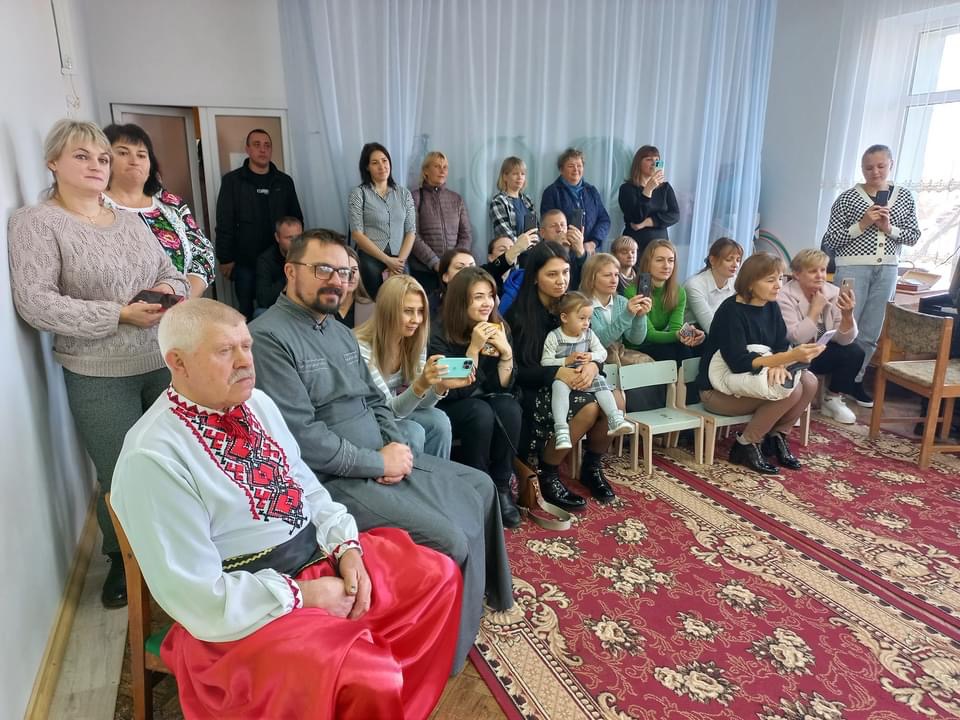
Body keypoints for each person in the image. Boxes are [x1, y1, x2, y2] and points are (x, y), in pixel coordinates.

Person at [111, 299, 462, 720]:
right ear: (178, 363)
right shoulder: (152, 457)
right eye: (225, 351)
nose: (245, 361)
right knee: (368, 675)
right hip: (243, 610)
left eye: (246, 346)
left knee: (438, 576)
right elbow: (196, 594)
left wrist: (346, 549)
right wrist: (306, 596)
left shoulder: (257, 403)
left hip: (315, 558)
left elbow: (307, 487)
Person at [248, 232, 513, 671]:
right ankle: (448, 652)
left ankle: (485, 596)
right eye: (324, 269)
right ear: (290, 271)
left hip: (379, 455)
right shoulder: (267, 338)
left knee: (482, 485)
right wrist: (377, 461)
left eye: (345, 272)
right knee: (448, 537)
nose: (337, 281)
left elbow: (375, 400)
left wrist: (395, 444)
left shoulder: (338, 332)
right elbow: (302, 438)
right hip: (333, 480)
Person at [8, 119, 189, 608]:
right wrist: (119, 315)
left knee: (176, 462)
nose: (97, 165)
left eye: (102, 158)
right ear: (53, 162)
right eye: (82, 156)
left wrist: (168, 288)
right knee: (120, 473)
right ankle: (124, 559)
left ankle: (180, 549)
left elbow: (170, 270)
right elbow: (36, 303)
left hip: (161, 361)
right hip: (97, 374)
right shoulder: (36, 222)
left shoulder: (127, 219)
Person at [505, 241, 620, 508]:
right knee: (589, 408)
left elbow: (594, 348)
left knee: (617, 399)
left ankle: (591, 467)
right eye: (552, 274)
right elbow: (517, 373)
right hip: (536, 389)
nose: (561, 280)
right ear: (535, 277)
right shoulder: (519, 315)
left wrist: (594, 366)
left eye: (566, 272)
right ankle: (548, 472)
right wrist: (558, 373)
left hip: (574, 380)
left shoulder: (574, 305)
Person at [697, 253, 823, 474]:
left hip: (753, 379)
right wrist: (785, 359)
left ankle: (777, 436)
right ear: (750, 283)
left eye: (780, 279)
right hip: (718, 391)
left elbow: (781, 344)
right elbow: (738, 363)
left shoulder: (771, 305)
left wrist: (779, 365)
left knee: (810, 382)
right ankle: (746, 443)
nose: (778, 286)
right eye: (770, 280)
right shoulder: (731, 311)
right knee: (790, 391)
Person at [822, 143, 921, 407]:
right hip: (852, 267)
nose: (875, 172)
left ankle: (854, 381)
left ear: (891, 165)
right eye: (868, 168)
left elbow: (913, 236)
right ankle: (832, 388)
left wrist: (889, 228)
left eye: (880, 166)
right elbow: (832, 239)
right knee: (844, 326)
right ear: (861, 168)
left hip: (887, 269)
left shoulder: (905, 197)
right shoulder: (847, 198)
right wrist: (863, 224)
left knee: (871, 331)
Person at [429, 267, 523, 528]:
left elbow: (504, 388)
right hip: (449, 404)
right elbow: (456, 390)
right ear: (461, 301)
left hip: (486, 400)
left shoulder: (499, 326)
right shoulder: (439, 332)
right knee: (479, 411)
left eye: (490, 295)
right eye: (478, 297)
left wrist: (506, 354)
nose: (487, 303)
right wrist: (473, 349)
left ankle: (501, 486)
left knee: (509, 407)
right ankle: (477, 488)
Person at [102, 123, 214, 300]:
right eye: (123, 153)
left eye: (141, 155)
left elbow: (203, 255)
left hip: (180, 308)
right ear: (104, 159)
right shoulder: (94, 205)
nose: (134, 160)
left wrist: (182, 299)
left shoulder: (170, 203)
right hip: (120, 312)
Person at [354, 275, 457, 459]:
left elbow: (420, 403)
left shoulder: (413, 339)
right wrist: (421, 384)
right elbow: (387, 410)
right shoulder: (361, 347)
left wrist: (439, 387)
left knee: (439, 420)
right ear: (388, 311)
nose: (416, 320)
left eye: (420, 311)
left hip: (390, 413)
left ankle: (437, 475)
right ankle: (409, 478)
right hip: (362, 417)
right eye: (408, 311)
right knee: (412, 431)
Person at [215, 128, 303, 320]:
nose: (263, 149)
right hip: (244, 260)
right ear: (248, 149)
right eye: (257, 145)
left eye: (267, 145)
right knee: (245, 310)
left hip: (280, 259)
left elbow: (296, 218)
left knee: (282, 307)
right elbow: (224, 221)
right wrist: (225, 257)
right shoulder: (232, 181)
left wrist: (299, 253)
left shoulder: (284, 182)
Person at [778, 249, 863, 425]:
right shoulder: (783, 296)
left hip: (819, 348)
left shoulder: (833, 292)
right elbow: (796, 337)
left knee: (855, 351)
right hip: (792, 352)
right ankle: (792, 404)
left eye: (823, 270)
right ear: (797, 274)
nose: (820, 276)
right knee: (797, 350)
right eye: (812, 271)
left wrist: (847, 316)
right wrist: (815, 310)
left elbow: (844, 339)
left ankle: (832, 399)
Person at [542, 292, 634, 449]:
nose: (586, 323)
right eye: (582, 318)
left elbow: (602, 353)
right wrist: (565, 361)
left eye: (589, 319)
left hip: (585, 375)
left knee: (601, 383)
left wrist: (591, 356)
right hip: (564, 377)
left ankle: (614, 418)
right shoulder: (554, 336)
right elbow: (545, 362)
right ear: (564, 318)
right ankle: (562, 430)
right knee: (558, 387)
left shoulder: (589, 335)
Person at [348, 142, 416, 298]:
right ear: (367, 167)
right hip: (371, 259)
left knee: (402, 301)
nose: (382, 166)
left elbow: (411, 231)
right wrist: (387, 260)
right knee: (376, 302)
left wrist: (398, 262)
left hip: (400, 258)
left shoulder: (404, 194)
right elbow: (357, 234)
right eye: (375, 163)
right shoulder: (358, 194)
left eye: (384, 160)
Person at [628, 239, 705, 362]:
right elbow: (649, 335)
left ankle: (682, 376)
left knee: (689, 347)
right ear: (648, 263)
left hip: (663, 343)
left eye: (670, 260)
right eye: (660, 260)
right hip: (638, 346)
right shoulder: (633, 292)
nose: (666, 266)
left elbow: (676, 328)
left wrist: (689, 334)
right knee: (669, 352)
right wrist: (678, 335)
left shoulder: (678, 292)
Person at [409, 151, 472, 294]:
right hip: (424, 272)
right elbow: (413, 236)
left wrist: (455, 261)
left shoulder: (456, 199)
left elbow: (466, 235)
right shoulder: (414, 197)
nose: (442, 170)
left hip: (455, 273)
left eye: (445, 167)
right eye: (437, 166)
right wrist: (435, 262)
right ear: (426, 171)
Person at [541, 148, 611, 254]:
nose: (576, 169)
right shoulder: (552, 192)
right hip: (563, 251)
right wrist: (568, 242)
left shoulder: (591, 191)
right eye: (571, 166)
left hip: (591, 251)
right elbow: (549, 225)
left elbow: (604, 220)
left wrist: (593, 242)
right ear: (561, 170)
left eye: (579, 166)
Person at [579, 253, 651, 354]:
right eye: (607, 275)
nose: (614, 280)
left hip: (617, 355)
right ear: (591, 278)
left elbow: (636, 340)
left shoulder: (621, 302)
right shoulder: (583, 305)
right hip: (590, 357)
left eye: (616, 275)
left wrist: (640, 317)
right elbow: (601, 341)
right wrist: (627, 315)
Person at [618, 145, 680, 257]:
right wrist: (648, 190)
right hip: (635, 248)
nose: (654, 163)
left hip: (660, 245)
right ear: (639, 163)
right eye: (649, 159)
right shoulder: (627, 189)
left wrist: (646, 222)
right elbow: (637, 218)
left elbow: (675, 215)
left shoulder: (665, 188)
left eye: (657, 160)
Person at [683, 237, 743, 333]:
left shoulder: (736, 282)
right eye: (729, 259)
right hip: (693, 334)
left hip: (721, 331)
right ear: (712, 260)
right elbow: (711, 327)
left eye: (738, 260)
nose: (735, 264)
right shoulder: (694, 285)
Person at [254, 216, 303, 313]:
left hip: (305, 306)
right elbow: (264, 300)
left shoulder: (309, 254)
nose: (295, 243)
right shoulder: (265, 260)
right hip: (279, 307)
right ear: (277, 237)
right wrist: (289, 277)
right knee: (259, 313)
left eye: (299, 237)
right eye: (289, 238)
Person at [489, 156, 536, 240]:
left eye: (522, 174)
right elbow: (505, 234)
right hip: (512, 247)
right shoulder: (498, 201)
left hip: (531, 247)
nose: (520, 177)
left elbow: (535, 230)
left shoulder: (527, 200)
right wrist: (522, 245)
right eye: (515, 174)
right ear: (505, 177)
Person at [335, 246, 375, 329]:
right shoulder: (320, 307)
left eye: (354, 270)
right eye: (345, 270)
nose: (351, 276)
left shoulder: (372, 308)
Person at [428, 248, 476, 317]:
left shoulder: (486, 299)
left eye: (472, 267)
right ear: (445, 276)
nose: (468, 272)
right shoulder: (431, 304)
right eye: (460, 267)